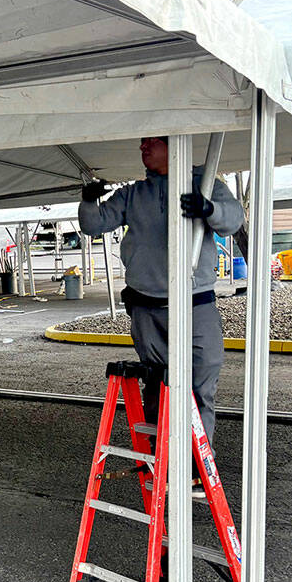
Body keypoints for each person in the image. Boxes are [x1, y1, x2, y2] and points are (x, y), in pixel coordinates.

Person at [77, 136, 244, 436]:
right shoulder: (134, 194)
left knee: (202, 376)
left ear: (174, 143)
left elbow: (233, 219)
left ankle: (196, 461)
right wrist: (89, 201)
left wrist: (209, 209)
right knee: (156, 384)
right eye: (142, 142)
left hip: (195, 302)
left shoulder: (204, 184)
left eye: (151, 141)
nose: (143, 147)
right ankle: (163, 458)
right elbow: (94, 225)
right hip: (147, 306)